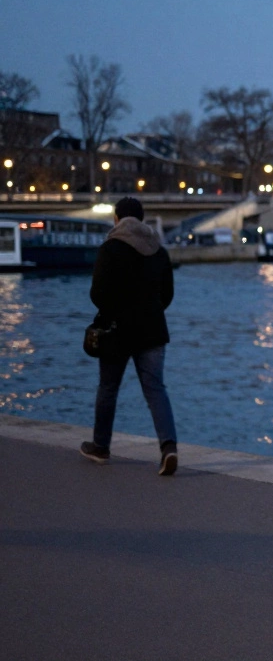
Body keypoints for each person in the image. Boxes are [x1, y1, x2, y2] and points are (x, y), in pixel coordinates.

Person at [79, 197, 179, 476]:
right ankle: (168, 447)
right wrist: (150, 311)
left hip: (117, 331)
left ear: (117, 218)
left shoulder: (111, 248)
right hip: (153, 330)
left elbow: (97, 293)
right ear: (142, 219)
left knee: (108, 388)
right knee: (155, 389)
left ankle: (100, 446)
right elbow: (167, 294)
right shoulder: (158, 250)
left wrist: (114, 311)